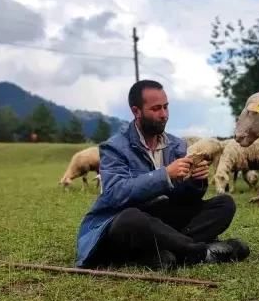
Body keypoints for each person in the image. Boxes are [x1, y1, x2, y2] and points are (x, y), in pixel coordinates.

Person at [75, 80, 250, 271]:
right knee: (131, 219)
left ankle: (161, 253)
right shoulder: (114, 148)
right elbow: (116, 193)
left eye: (166, 107)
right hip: (129, 220)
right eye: (156, 109)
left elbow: (184, 198)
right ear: (136, 111)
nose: (164, 115)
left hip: (163, 218)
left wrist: (195, 181)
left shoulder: (177, 145)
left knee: (224, 204)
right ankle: (200, 252)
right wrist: (165, 174)